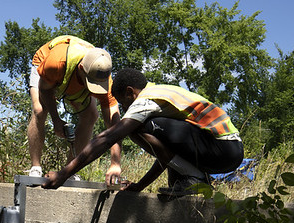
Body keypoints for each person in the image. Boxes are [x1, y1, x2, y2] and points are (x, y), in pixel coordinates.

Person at [43, 67, 244, 195]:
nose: (125, 109)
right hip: (227, 150)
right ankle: (188, 181)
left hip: (221, 148)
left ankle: (195, 179)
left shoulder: (146, 100)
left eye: (124, 102)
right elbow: (167, 156)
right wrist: (140, 186)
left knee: (134, 127)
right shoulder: (162, 91)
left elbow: (107, 137)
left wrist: (63, 174)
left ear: (130, 92)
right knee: (145, 129)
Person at [26, 35, 122, 185]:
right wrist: (56, 120)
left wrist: (115, 163)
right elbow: (45, 90)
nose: (94, 89)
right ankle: (35, 167)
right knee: (39, 110)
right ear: (82, 69)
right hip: (47, 66)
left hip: (73, 78)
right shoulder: (56, 62)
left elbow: (115, 125)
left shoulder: (105, 79)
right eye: (91, 83)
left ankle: (69, 171)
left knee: (91, 116)